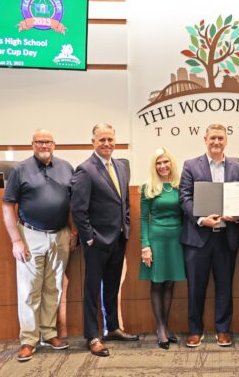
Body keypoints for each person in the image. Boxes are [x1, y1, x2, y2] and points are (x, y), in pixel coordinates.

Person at [1, 129, 76, 362]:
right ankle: (28, 340)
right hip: (30, 235)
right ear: (32, 145)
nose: (44, 145)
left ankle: (49, 333)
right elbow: (7, 207)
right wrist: (16, 239)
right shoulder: (20, 170)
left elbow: (73, 202)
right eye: (39, 142)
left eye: (48, 142)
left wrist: (73, 231)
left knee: (54, 286)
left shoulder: (67, 168)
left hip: (60, 234)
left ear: (55, 144)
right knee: (30, 290)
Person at [71, 123, 138, 357]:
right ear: (93, 142)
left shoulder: (120, 166)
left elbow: (124, 202)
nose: (107, 144)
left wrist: (125, 227)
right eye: (102, 140)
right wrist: (89, 238)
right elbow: (78, 210)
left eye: (110, 139)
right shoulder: (85, 170)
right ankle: (93, 335)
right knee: (92, 290)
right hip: (97, 242)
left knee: (111, 287)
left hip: (118, 239)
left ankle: (113, 328)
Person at [179, 123, 239, 347]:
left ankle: (223, 329)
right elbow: (184, 198)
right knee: (195, 287)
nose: (216, 142)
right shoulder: (190, 165)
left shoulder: (238, 167)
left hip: (226, 237)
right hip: (198, 237)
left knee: (225, 286)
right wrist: (201, 219)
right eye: (212, 138)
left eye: (220, 138)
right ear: (205, 140)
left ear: (226, 141)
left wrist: (236, 217)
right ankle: (195, 330)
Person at [139, 147, 186, 350]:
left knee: (170, 284)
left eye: (166, 162)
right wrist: (145, 245)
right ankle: (160, 329)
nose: (163, 166)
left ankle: (165, 326)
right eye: (159, 163)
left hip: (176, 240)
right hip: (156, 240)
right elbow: (143, 218)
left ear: (171, 164)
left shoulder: (180, 186)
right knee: (157, 284)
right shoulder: (148, 187)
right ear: (154, 166)